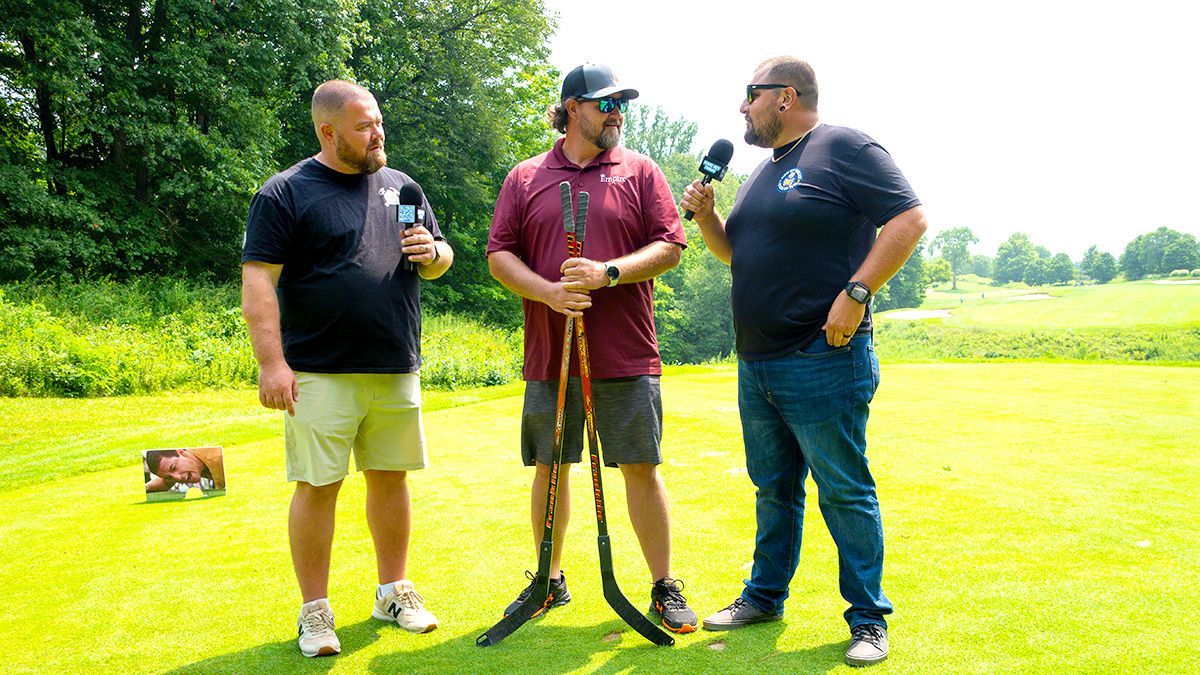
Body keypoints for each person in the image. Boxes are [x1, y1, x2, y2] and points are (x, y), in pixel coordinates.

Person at [680, 56, 927, 666]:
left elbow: (910, 218)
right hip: (758, 361)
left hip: (822, 356)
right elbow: (737, 255)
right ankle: (764, 597)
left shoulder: (842, 146)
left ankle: (868, 619)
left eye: (750, 95)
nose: (742, 107)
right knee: (774, 488)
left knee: (844, 490)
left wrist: (857, 292)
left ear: (785, 97)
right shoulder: (765, 173)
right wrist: (709, 216)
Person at [241, 79, 453, 658]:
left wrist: (433, 255)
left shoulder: (402, 185)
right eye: (364, 127)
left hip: (394, 363)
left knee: (392, 477)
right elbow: (259, 279)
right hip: (318, 370)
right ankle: (314, 613)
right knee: (317, 486)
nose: (378, 134)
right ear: (328, 132)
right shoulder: (286, 193)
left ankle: (393, 592)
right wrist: (272, 363)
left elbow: (440, 256)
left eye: (379, 122)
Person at [486, 63, 697, 634]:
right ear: (572, 107)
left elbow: (670, 246)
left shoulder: (640, 171)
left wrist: (607, 272)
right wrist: (550, 293)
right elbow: (500, 255)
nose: (617, 113)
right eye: (606, 104)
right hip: (550, 356)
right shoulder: (526, 177)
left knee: (640, 467)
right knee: (550, 467)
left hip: (626, 351)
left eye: (620, 104)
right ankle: (548, 581)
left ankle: (662, 585)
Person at [144, 447, 225, 492]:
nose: (178, 478)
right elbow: (164, 482)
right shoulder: (191, 463)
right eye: (170, 477)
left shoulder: (220, 458)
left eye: (173, 467)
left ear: (181, 452)